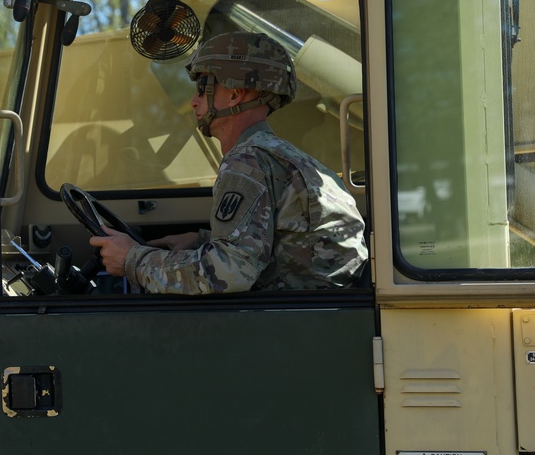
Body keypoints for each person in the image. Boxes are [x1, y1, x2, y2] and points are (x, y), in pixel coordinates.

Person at [89, 31, 367, 294]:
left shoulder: (248, 161)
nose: (194, 102)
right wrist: (200, 241)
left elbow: (227, 273)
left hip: (290, 324)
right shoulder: (279, 155)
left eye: (202, 88)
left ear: (235, 94)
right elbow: (281, 246)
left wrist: (133, 260)